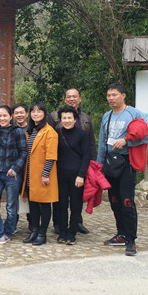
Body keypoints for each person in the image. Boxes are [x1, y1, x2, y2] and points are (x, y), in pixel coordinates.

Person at [97, 83, 148, 257]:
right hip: (110, 164)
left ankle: (131, 240)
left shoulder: (134, 113)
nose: (111, 98)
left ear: (123, 96)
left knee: (127, 201)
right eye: (108, 95)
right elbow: (102, 142)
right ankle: (121, 234)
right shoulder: (106, 116)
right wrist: (99, 166)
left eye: (114, 95)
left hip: (126, 163)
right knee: (114, 200)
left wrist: (126, 141)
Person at [49, 88, 96, 235]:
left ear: (80, 99)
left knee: (76, 202)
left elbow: (90, 147)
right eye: (68, 96)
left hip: (77, 170)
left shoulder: (85, 120)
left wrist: (88, 169)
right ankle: (60, 226)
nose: (71, 99)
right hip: (60, 170)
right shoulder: (54, 120)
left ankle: (75, 227)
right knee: (60, 202)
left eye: (74, 96)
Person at [0, 105, 27, 245]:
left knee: (11, 206)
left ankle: (7, 232)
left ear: (10, 117)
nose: (2, 118)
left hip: (12, 175)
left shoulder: (18, 131)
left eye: (5, 115)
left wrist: (15, 168)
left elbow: (23, 152)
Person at [21, 103, 58, 246]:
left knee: (44, 204)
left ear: (44, 114)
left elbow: (51, 155)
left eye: (39, 111)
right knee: (33, 204)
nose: (36, 114)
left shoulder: (49, 131)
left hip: (43, 174)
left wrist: (45, 174)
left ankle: (42, 233)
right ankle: (34, 230)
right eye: (33, 111)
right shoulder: (31, 130)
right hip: (31, 173)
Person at [55, 106, 90, 245]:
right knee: (61, 204)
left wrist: (81, 175)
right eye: (64, 118)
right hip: (60, 175)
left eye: (70, 118)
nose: (67, 120)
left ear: (75, 119)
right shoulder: (56, 133)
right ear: (60, 119)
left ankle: (72, 232)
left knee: (75, 205)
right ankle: (63, 231)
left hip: (76, 176)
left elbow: (86, 155)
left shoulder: (82, 134)